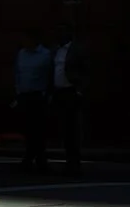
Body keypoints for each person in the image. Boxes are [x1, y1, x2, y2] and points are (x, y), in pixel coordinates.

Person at [13, 35, 53, 174]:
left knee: (38, 129)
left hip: (38, 96)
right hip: (24, 95)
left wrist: (47, 94)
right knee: (27, 128)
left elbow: (50, 74)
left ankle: (37, 159)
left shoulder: (46, 55)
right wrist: (18, 91)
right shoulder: (21, 54)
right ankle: (33, 158)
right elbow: (17, 73)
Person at [52, 34, 86, 175]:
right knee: (65, 129)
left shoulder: (77, 49)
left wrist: (80, 90)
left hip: (71, 92)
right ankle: (68, 161)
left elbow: (85, 69)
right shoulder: (55, 50)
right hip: (59, 92)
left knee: (73, 129)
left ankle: (75, 162)